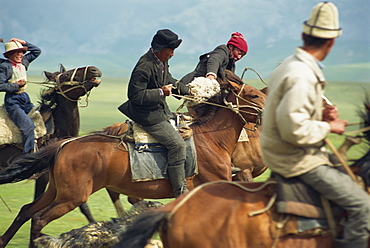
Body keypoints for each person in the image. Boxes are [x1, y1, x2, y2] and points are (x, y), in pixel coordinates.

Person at [261, 2, 370, 248]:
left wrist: (321, 116)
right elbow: (295, 131)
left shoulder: (288, 64)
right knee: (363, 207)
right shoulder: (302, 74)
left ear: (303, 35)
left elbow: (288, 115)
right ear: (331, 42)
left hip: (282, 151)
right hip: (296, 158)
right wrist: (331, 127)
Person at [118, 29, 189, 198]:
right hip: (147, 115)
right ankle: (180, 191)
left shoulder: (160, 60)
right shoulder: (145, 66)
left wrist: (186, 90)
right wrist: (160, 93)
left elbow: (167, 79)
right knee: (177, 145)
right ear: (159, 48)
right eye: (170, 50)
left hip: (158, 110)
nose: (172, 54)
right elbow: (135, 95)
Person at [0, 38, 41, 154]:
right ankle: (28, 154)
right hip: (13, 101)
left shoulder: (24, 62)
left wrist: (23, 42)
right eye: (16, 52)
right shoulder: (4, 67)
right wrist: (15, 85)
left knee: (40, 117)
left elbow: (36, 51)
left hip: (24, 97)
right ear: (9, 54)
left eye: (22, 51)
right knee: (28, 126)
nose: (20, 54)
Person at [180, 32, 248, 85]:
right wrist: (211, 74)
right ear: (230, 47)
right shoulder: (222, 50)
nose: (239, 57)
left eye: (242, 55)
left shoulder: (231, 65)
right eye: (239, 53)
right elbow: (215, 60)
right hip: (194, 84)